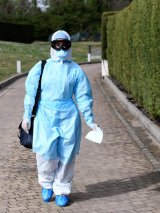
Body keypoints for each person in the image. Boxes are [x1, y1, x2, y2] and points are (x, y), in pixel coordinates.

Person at [21, 30, 98, 207]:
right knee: (46, 153)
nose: (61, 47)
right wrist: (27, 115)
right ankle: (47, 184)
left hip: (68, 116)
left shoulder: (75, 70)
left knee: (67, 154)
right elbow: (31, 93)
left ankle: (62, 189)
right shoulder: (41, 67)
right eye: (57, 44)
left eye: (65, 44)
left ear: (69, 45)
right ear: (52, 45)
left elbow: (83, 96)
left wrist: (90, 119)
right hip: (44, 114)